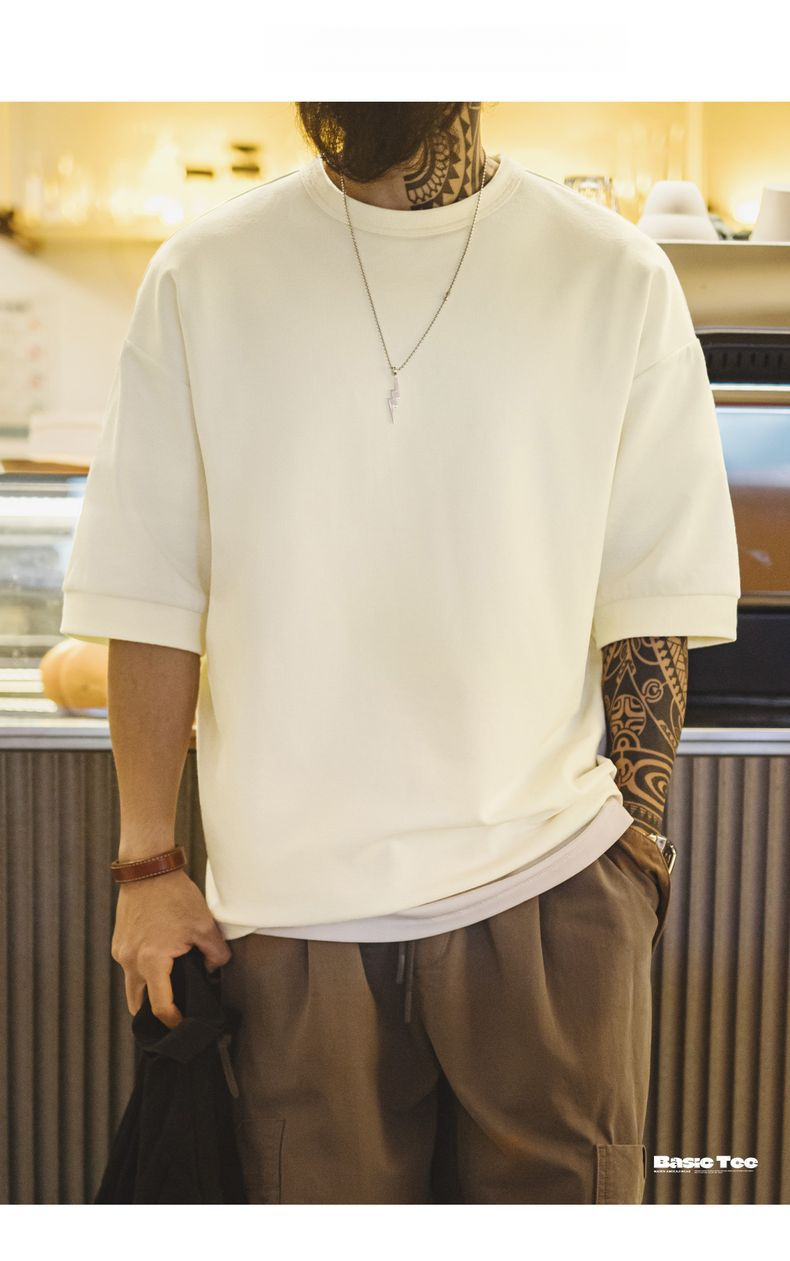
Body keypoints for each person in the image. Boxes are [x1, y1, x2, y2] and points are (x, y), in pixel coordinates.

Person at [60, 101, 741, 1204]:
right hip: (293, 915)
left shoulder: (611, 275)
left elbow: (649, 602)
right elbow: (149, 594)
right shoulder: (204, 276)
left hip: (550, 885)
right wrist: (146, 864)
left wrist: (632, 863)